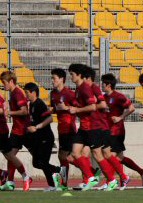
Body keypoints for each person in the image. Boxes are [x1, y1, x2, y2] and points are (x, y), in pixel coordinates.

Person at [101, 73, 143, 188]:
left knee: (110, 155)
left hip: (117, 131)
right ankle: (142, 172)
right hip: (108, 131)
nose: (101, 85)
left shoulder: (118, 96)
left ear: (108, 85)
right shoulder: (103, 98)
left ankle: (110, 182)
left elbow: (131, 108)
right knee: (119, 158)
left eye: (102, 83)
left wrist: (120, 117)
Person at [65, 63, 101, 191]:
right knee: (74, 154)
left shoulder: (85, 88)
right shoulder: (78, 88)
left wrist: (76, 110)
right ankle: (90, 178)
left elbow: (93, 107)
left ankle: (107, 179)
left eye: (72, 75)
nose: (71, 77)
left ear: (79, 75)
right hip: (84, 127)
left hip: (91, 126)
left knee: (98, 154)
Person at [83, 67, 119, 191]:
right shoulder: (85, 89)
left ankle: (114, 179)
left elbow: (103, 105)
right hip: (92, 126)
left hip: (100, 127)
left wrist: (85, 108)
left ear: (87, 78)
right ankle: (107, 180)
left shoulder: (94, 88)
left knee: (99, 154)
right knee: (88, 154)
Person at [0, 70, 32, 192]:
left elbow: (24, 111)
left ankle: (26, 177)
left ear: (11, 81)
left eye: (4, 82)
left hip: (23, 131)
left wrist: (9, 113)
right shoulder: (12, 94)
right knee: (10, 156)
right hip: (17, 130)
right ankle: (11, 182)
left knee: (39, 161)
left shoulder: (17, 93)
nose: (3, 85)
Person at [23, 82, 60, 191]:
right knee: (36, 163)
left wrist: (37, 127)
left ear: (33, 92)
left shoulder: (39, 104)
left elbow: (49, 119)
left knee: (43, 163)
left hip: (46, 137)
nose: (26, 95)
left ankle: (52, 186)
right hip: (38, 138)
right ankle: (58, 170)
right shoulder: (32, 104)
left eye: (27, 93)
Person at [50, 68, 76, 190]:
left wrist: (66, 107)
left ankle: (65, 184)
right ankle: (91, 172)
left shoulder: (70, 94)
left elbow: (78, 107)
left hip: (69, 129)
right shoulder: (53, 93)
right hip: (61, 129)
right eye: (51, 78)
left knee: (64, 156)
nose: (52, 81)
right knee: (66, 157)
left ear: (61, 79)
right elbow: (55, 108)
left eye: (54, 78)